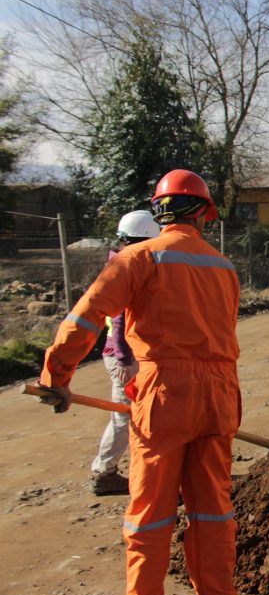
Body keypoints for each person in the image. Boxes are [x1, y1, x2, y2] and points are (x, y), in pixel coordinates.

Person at [37, 169, 242, 595]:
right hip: (220, 392)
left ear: (159, 210)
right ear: (205, 214)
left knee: (149, 508)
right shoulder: (224, 266)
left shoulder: (138, 258)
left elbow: (86, 315)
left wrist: (56, 375)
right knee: (213, 508)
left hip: (166, 392)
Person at [90, 210, 161, 497]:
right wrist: (124, 360)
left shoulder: (123, 263)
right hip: (123, 356)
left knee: (138, 413)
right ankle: (104, 473)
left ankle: (139, 469)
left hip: (129, 353)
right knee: (124, 415)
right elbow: (118, 319)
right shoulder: (125, 267)